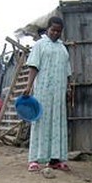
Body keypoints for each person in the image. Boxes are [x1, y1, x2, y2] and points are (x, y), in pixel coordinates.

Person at [23, 16, 73, 172]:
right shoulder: (39, 45)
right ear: (47, 29)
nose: (55, 33)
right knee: (41, 122)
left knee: (57, 123)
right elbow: (33, 67)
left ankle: (54, 160)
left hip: (58, 93)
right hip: (43, 91)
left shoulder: (62, 48)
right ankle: (34, 159)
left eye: (58, 31)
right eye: (53, 30)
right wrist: (28, 86)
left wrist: (69, 88)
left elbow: (67, 72)